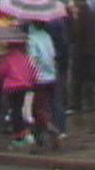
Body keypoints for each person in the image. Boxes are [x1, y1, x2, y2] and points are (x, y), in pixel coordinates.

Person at [0, 40, 36, 150]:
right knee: (20, 110)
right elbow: (33, 71)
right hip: (25, 87)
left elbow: (0, 73)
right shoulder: (25, 57)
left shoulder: (8, 58)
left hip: (12, 88)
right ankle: (25, 134)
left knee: (14, 111)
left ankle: (20, 137)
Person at [27, 20, 61, 148]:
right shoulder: (47, 36)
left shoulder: (31, 39)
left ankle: (49, 127)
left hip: (38, 78)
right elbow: (53, 55)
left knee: (37, 108)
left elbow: (33, 59)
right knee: (49, 105)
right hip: (51, 76)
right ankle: (41, 137)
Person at [67, 0, 95, 113]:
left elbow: (77, 32)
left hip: (82, 50)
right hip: (90, 49)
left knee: (78, 78)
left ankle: (77, 104)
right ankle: (89, 103)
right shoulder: (89, 11)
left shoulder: (81, 13)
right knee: (87, 78)